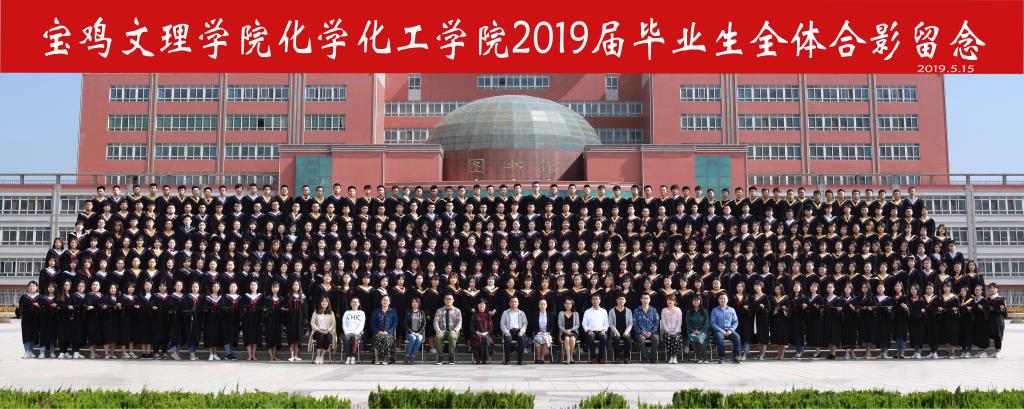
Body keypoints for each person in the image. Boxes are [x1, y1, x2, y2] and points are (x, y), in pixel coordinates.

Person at [710, 293, 741, 364]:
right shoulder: (714, 310)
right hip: (719, 330)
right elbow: (712, 323)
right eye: (721, 298)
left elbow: (735, 322)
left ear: (727, 300)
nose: (723, 300)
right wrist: (721, 330)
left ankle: (736, 356)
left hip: (729, 330)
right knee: (719, 338)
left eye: (724, 298)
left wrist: (730, 330)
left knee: (737, 337)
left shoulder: (732, 310)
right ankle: (722, 357)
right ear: (718, 300)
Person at [433, 293, 462, 365]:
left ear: (453, 300)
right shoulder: (439, 310)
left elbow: (459, 322)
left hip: (453, 331)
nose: (448, 300)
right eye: (447, 299)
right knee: (438, 337)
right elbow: (435, 322)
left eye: (450, 299)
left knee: (452, 336)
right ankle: (440, 357)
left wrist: (455, 330)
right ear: (444, 300)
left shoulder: (457, 311)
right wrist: (438, 331)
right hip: (442, 331)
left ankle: (451, 357)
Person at [500, 297, 528, 365]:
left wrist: (522, 331)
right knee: (507, 340)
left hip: (519, 331)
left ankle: (520, 361)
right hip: (509, 331)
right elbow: (502, 324)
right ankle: (507, 360)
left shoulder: (522, 313)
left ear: (518, 303)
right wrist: (506, 331)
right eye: (512, 301)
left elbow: (525, 323)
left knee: (522, 339)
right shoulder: (505, 312)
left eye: (515, 302)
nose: (514, 303)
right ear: (509, 303)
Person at [581, 294, 609, 364]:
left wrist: (604, 330)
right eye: (593, 299)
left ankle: (601, 358)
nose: (595, 301)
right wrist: (588, 330)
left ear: (600, 300)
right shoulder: (587, 311)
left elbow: (606, 323)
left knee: (604, 338)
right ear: (591, 301)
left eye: (597, 299)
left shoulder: (604, 311)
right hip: (591, 331)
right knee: (590, 338)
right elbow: (584, 323)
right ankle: (593, 357)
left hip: (601, 331)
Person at [371, 294, 398, 365]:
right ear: (381, 301)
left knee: (386, 338)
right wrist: (378, 331)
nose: (385, 301)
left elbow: (395, 324)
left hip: (388, 333)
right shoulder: (376, 311)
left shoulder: (393, 311)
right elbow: (372, 323)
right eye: (384, 300)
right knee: (377, 338)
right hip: (378, 332)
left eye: (387, 300)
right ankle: (376, 359)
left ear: (389, 302)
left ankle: (386, 359)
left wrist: (388, 332)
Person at [309, 297, 337, 365]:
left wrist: (328, 330)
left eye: (326, 301)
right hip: (317, 331)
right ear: (320, 303)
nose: (324, 303)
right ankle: (318, 356)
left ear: (328, 303)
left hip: (328, 331)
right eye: (322, 301)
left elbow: (333, 323)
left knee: (328, 337)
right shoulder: (316, 312)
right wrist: (319, 330)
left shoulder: (331, 313)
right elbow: (312, 323)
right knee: (320, 335)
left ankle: (322, 356)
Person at [633, 293, 660, 363]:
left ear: (649, 300)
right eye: (643, 298)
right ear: (641, 300)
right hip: (640, 333)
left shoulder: (653, 310)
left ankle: (653, 358)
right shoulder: (636, 310)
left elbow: (656, 322)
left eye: (647, 298)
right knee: (641, 339)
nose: (645, 300)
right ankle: (644, 358)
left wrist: (651, 332)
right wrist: (641, 332)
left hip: (652, 332)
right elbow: (635, 323)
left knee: (656, 339)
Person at [18, 281, 41, 359]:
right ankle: (26, 351)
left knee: (34, 334)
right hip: (26, 318)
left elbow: (43, 307)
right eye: (30, 286)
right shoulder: (24, 296)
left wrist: (39, 306)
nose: (32, 287)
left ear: (37, 287)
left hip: (36, 319)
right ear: (28, 287)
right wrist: (20, 313)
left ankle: (31, 351)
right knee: (26, 334)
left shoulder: (40, 297)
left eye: (33, 286)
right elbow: (20, 307)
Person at [607, 295, 633, 364]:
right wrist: (616, 331)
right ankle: (617, 357)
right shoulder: (612, 311)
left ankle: (626, 357)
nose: (621, 301)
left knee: (628, 339)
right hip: (615, 331)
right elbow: (610, 323)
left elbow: (630, 323)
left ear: (625, 301)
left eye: (622, 299)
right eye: (619, 299)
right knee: (616, 339)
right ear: (617, 300)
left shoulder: (628, 311)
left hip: (625, 331)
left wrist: (627, 331)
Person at [685, 294, 710, 363]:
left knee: (699, 339)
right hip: (692, 331)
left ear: (700, 301)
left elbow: (707, 323)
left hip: (703, 331)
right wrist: (693, 330)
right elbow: (687, 323)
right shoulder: (689, 312)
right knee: (693, 340)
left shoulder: (704, 311)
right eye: (694, 300)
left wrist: (700, 331)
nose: (696, 302)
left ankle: (705, 358)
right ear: (692, 302)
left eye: (697, 300)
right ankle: (700, 358)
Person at [341, 298, 366, 365]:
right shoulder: (347, 312)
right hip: (347, 332)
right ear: (350, 304)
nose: (354, 303)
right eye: (352, 302)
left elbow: (362, 324)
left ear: (359, 304)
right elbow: (344, 323)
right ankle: (348, 357)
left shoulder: (361, 313)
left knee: (355, 338)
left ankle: (353, 357)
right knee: (346, 338)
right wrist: (347, 332)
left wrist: (356, 332)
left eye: (356, 302)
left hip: (357, 333)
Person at [470, 298, 494, 364]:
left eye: (483, 305)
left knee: (485, 338)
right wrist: (478, 332)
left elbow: (491, 328)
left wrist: (485, 333)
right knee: (477, 338)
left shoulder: (488, 315)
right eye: (480, 305)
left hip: (486, 334)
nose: (481, 306)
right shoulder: (474, 315)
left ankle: (484, 359)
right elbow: (471, 327)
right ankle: (478, 358)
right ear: (477, 306)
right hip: (476, 334)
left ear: (485, 306)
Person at [533, 298, 556, 364]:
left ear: (546, 305)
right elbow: (533, 326)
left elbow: (552, 326)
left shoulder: (550, 315)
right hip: (538, 333)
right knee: (538, 338)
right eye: (541, 304)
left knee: (545, 338)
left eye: (544, 304)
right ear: (538, 305)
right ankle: (538, 358)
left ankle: (542, 358)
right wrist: (539, 332)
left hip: (547, 333)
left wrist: (547, 333)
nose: (542, 305)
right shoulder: (535, 314)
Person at [404, 298, 426, 364]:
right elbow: (405, 323)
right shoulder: (408, 312)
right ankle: (407, 356)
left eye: (416, 302)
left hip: (419, 333)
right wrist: (411, 332)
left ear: (419, 304)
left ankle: (412, 356)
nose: (414, 303)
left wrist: (419, 333)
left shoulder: (422, 312)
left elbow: (424, 324)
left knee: (418, 338)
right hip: (409, 333)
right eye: (413, 302)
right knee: (413, 338)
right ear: (411, 303)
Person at [558, 298, 580, 364]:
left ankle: (571, 356)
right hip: (564, 332)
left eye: (570, 303)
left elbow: (577, 325)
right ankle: (568, 358)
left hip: (573, 332)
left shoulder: (576, 313)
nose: (568, 305)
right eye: (566, 303)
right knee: (567, 338)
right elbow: (559, 325)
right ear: (564, 305)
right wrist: (565, 331)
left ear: (572, 305)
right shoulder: (561, 313)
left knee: (572, 338)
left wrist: (571, 329)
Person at [987, 283, 1006, 358]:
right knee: (994, 335)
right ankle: (995, 352)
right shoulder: (988, 298)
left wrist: (999, 309)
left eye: (994, 287)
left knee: (998, 335)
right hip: (991, 319)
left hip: (998, 319)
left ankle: (999, 352)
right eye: (991, 288)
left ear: (997, 288)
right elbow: (987, 308)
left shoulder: (1001, 298)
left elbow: (1004, 310)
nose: (992, 289)